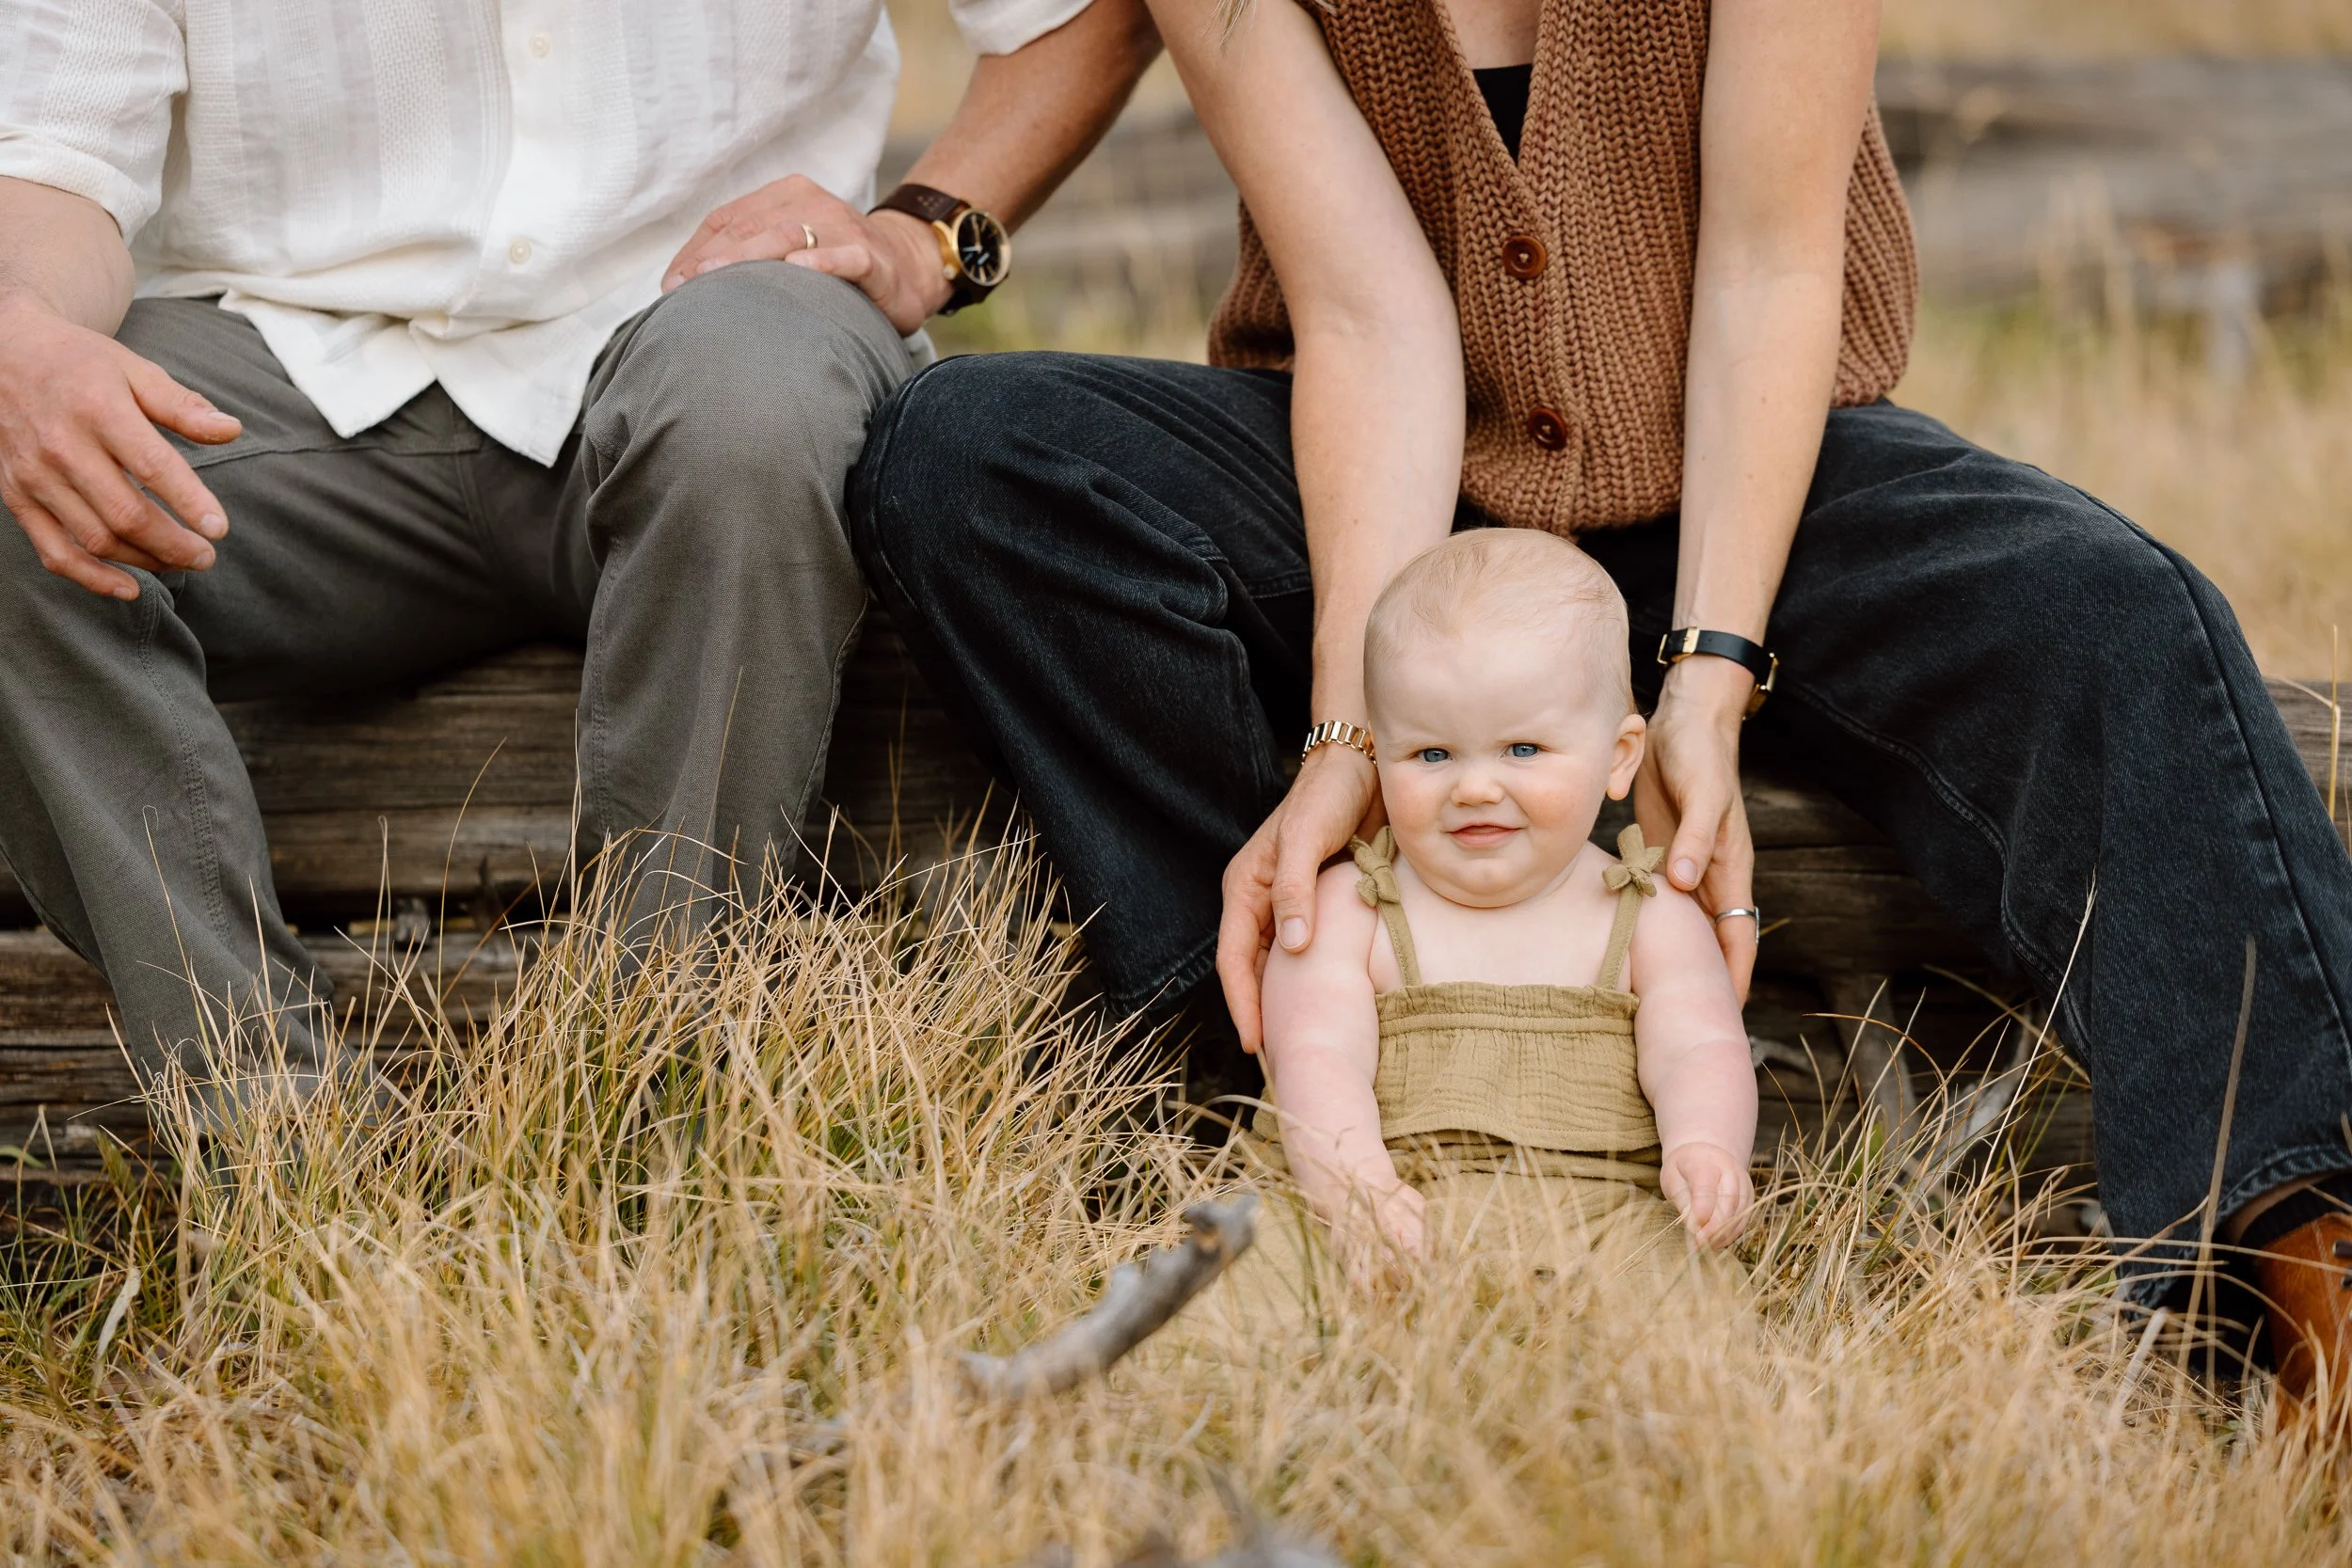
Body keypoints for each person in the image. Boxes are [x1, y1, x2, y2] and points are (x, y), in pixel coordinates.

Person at [847, 0, 2352, 1400]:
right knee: (976, 453)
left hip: (1753, 458)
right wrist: (1353, 732)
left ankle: (2290, 1244)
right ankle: (1277, 1093)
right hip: (1395, 484)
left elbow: (1770, 268)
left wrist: (1707, 667)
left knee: (2105, 605)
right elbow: (1370, 319)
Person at [0, 0, 1161, 1103]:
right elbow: (56, 156)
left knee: (745, 402)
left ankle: (643, 1107)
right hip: (284, 379)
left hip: (709, 344)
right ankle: (278, 1140)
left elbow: (1081, 17)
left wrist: (925, 231)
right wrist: (28, 330)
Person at [1253, 529, 1755, 1288]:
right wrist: (1358, 1190)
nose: (1476, 787)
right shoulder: (1351, 908)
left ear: (1621, 756)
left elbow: (1700, 1047)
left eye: (1522, 749)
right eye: (1431, 754)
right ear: (1379, 754)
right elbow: (1315, 1058)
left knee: (1678, 1304)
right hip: (1373, 1200)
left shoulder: (1648, 915)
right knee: (1260, 1291)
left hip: (1603, 1215)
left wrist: (1705, 1145)